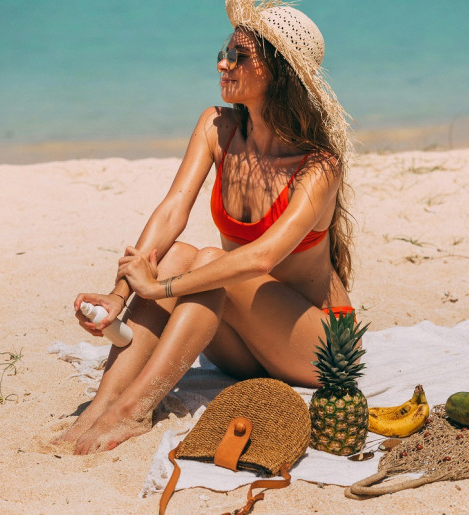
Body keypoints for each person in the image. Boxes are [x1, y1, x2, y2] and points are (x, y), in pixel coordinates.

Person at [56, 0, 355, 455]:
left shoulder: (318, 167)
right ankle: (102, 405)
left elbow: (261, 258)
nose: (223, 63)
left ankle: (132, 412)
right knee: (174, 254)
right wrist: (119, 293)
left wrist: (159, 290)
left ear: (278, 73)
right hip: (245, 346)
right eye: (224, 51)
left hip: (317, 348)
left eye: (239, 56)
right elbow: (174, 206)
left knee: (211, 262)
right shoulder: (218, 127)